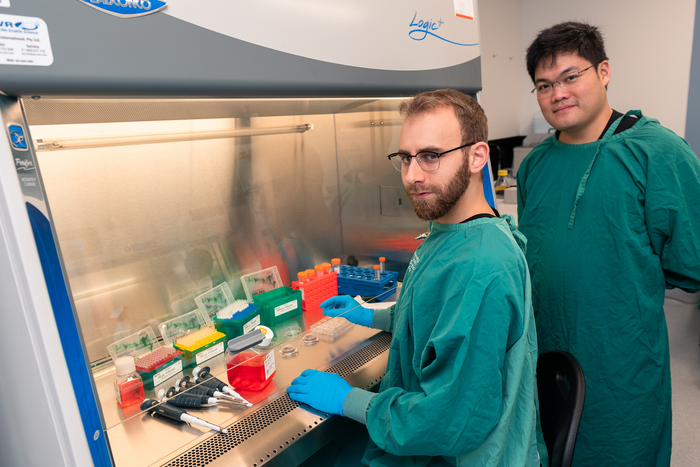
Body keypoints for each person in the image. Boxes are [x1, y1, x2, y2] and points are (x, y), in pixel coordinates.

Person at [287, 89, 540, 466]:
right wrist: (372, 314)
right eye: (406, 158)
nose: (413, 175)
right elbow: (439, 314)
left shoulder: (481, 265)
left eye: (431, 156)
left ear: (477, 156)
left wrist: (347, 399)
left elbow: (448, 421)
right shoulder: (451, 229)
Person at [518, 21, 700, 467]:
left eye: (570, 77)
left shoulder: (655, 151)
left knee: (619, 450)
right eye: (544, 85)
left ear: (604, 72)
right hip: (547, 355)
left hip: (622, 363)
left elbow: (690, 264)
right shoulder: (534, 165)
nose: (557, 93)